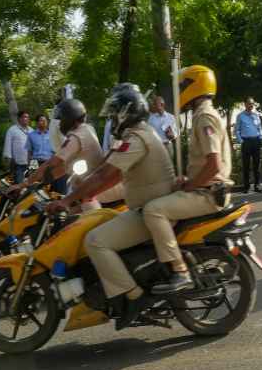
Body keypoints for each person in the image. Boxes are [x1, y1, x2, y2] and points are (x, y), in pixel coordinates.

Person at [47, 83, 176, 329]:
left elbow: (106, 175)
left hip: (148, 209)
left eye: (116, 111)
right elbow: (108, 172)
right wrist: (80, 193)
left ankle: (135, 298)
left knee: (95, 241)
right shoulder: (137, 133)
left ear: (128, 111)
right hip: (145, 206)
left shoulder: (136, 138)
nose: (113, 116)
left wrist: (67, 200)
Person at [141, 65, 234, 299]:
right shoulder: (204, 114)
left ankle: (180, 271)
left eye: (183, 86)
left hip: (208, 194)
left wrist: (191, 185)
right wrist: (188, 179)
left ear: (195, 86)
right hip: (206, 188)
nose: (179, 92)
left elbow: (213, 164)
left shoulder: (204, 117)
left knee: (153, 211)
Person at [15, 99, 122, 210]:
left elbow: (52, 163)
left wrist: (24, 184)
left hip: (95, 188)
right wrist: (43, 180)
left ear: (69, 119)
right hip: (91, 184)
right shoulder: (87, 128)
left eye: (62, 120)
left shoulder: (76, 137)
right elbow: (64, 167)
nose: (60, 124)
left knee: (77, 220)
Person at [235, 97, 262, 193]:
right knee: (246, 166)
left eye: (252, 104)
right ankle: (246, 187)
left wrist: (260, 138)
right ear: (245, 104)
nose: (251, 105)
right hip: (246, 142)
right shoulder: (240, 116)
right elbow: (237, 130)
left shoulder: (256, 115)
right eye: (249, 103)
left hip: (256, 141)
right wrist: (241, 141)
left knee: (257, 165)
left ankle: (257, 186)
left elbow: (260, 128)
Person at [3, 111, 32, 183]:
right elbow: (7, 147)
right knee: (18, 186)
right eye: (24, 117)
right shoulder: (12, 130)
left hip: (31, 165)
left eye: (27, 117)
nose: (26, 119)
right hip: (18, 164)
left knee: (29, 187)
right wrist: (9, 161)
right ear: (19, 118)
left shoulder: (32, 131)